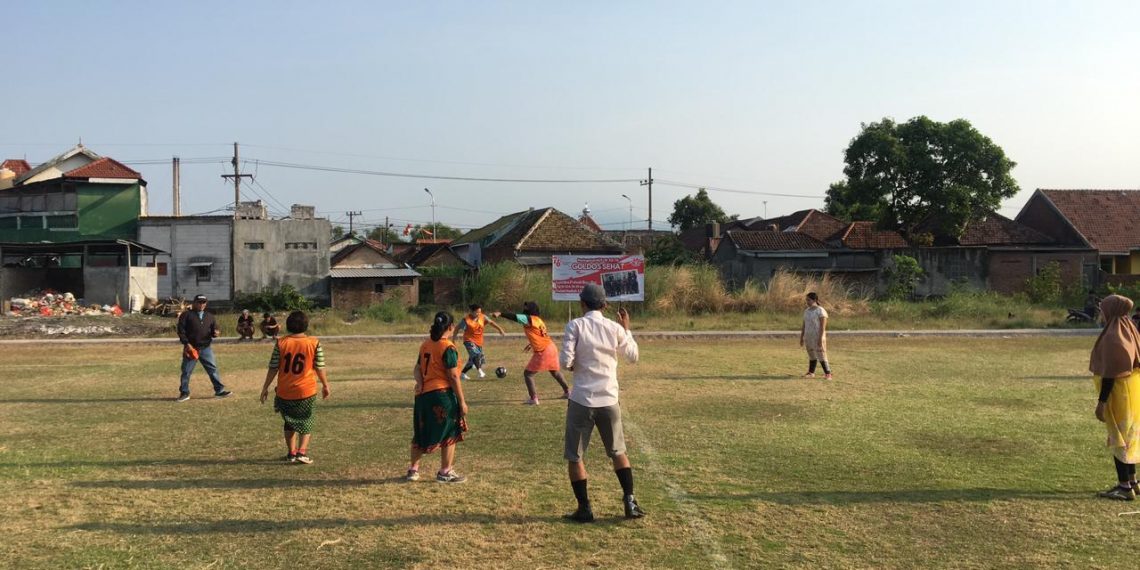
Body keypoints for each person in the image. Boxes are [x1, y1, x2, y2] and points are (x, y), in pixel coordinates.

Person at [560, 283, 644, 522]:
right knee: (618, 452)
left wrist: (576, 364)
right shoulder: (614, 327)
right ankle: (629, 501)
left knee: (575, 456)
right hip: (609, 398)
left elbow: (565, 361)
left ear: (582, 303)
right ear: (604, 305)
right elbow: (633, 356)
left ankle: (584, 508)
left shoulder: (575, 325)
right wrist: (627, 330)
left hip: (582, 399)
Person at [259, 311, 330, 464]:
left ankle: (291, 453)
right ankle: (302, 452)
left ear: (288, 326)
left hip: (285, 391)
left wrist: (265, 387)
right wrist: (325, 385)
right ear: (306, 325)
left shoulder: (281, 343)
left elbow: (273, 367)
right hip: (307, 390)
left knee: (289, 422)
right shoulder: (314, 342)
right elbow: (320, 366)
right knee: (307, 420)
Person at [407, 311, 469, 483]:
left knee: (421, 431)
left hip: (423, 396)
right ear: (450, 327)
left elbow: (417, 368)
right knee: (451, 429)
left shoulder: (426, 344)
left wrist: (420, 383)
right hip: (441, 395)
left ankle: (413, 470)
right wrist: (462, 401)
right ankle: (445, 471)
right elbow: (453, 376)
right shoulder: (447, 347)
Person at [1090, 294, 1140, 500]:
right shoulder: (1130, 329)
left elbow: (1111, 373)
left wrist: (1101, 403)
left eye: (1103, 309)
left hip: (1119, 394)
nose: (1101, 313)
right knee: (1129, 436)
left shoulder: (1113, 335)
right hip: (1132, 390)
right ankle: (1133, 481)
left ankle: (1124, 486)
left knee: (1119, 437)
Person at [492, 301, 570, 405]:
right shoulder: (539, 320)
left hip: (543, 350)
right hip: (551, 347)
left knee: (528, 374)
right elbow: (539, 334)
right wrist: (531, 344)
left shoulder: (530, 319)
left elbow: (515, 317)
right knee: (554, 372)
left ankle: (533, 398)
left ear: (531, 310)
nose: (524, 310)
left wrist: (501, 314)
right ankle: (568, 392)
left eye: (526, 308)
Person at [175, 294, 231, 402]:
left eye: (203, 302)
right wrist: (187, 344)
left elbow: (215, 329)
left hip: (206, 348)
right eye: (199, 302)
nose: (201, 304)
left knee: (212, 369)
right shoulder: (186, 315)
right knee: (186, 371)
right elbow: (181, 331)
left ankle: (219, 391)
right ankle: (184, 393)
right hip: (191, 348)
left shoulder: (209, 316)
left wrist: (216, 333)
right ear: (194, 303)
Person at [452, 304, 506, 380]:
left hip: (479, 341)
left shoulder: (482, 317)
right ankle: (480, 372)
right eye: (477, 312)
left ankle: (462, 373)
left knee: (473, 360)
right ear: (471, 312)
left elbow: (491, 323)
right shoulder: (466, 320)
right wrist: (453, 340)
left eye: (480, 312)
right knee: (476, 354)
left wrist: (500, 329)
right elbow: (457, 328)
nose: (479, 314)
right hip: (468, 340)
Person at [800, 292, 832, 380]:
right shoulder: (806, 311)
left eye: (809, 300)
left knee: (821, 354)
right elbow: (804, 325)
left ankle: (828, 373)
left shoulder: (820, 310)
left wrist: (820, 339)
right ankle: (811, 372)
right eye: (806, 300)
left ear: (815, 300)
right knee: (811, 354)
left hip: (817, 337)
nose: (807, 302)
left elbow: (822, 326)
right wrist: (802, 337)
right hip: (808, 336)